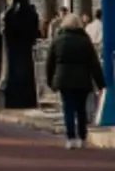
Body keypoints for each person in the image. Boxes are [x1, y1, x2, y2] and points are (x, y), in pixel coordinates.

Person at [45, 13, 106, 149]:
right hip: (82, 79)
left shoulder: (58, 40)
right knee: (81, 109)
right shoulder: (85, 41)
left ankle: (71, 137)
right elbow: (93, 63)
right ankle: (82, 137)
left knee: (68, 108)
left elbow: (50, 62)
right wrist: (100, 82)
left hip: (64, 79)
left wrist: (50, 81)